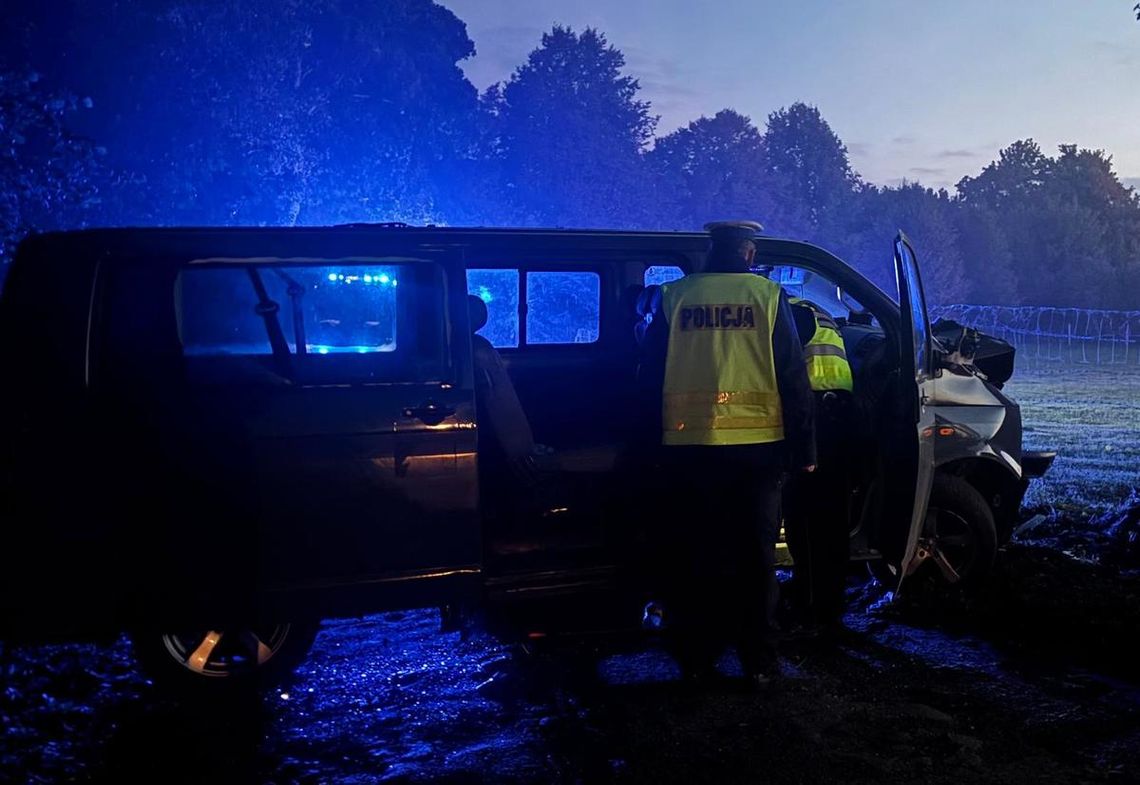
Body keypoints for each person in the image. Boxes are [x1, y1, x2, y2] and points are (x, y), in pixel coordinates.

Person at [640, 220, 816, 689]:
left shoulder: (674, 297)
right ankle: (758, 659)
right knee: (755, 559)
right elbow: (793, 379)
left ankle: (695, 656)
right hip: (759, 452)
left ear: (710, 252)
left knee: (695, 554)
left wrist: (647, 445)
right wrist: (806, 448)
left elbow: (648, 375)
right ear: (748, 253)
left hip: (687, 449)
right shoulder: (768, 298)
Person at [783, 297, 855, 638]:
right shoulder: (813, 309)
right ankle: (829, 606)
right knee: (831, 521)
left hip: (813, 419)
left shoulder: (790, 313)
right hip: (837, 418)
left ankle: (811, 605)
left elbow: (784, 369)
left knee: (806, 520)